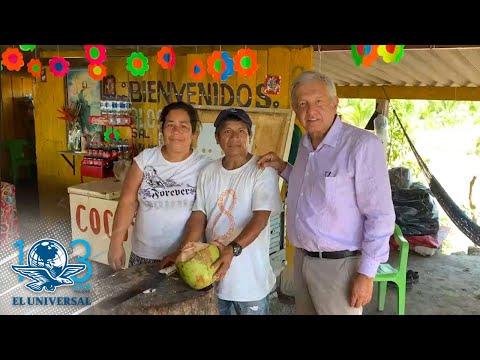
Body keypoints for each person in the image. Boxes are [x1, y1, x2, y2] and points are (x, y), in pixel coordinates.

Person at [257, 70, 396, 315]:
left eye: (318, 101)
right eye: (302, 104)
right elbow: (311, 186)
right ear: (294, 108)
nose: (311, 111)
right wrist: (282, 167)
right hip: (302, 260)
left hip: (340, 267)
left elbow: (380, 215)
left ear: (335, 102)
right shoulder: (305, 143)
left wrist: (366, 273)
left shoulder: (361, 146)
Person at [160, 108, 282, 315]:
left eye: (241, 131)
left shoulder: (262, 170)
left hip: (250, 280)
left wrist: (232, 249)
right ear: (217, 138)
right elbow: (200, 215)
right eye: (227, 132)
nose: (234, 137)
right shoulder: (209, 172)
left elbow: (260, 219)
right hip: (212, 275)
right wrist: (185, 251)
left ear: (249, 136)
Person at [108, 101, 212, 271]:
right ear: (162, 129)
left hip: (187, 256)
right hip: (144, 254)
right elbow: (128, 201)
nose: (176, 131)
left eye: (183, 126)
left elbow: (202, 214)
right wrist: (116, 242)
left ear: (194, 131)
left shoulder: (206, 166)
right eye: (170, 124)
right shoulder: (145, 159)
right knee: (142, 297)